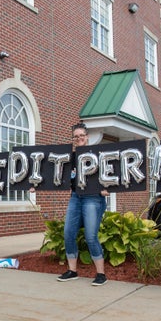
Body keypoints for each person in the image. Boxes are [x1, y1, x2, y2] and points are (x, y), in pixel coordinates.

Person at [56, 122, 109, 286]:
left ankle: (101, 274)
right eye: (76, 136)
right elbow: (56, 175)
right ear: (73, 139)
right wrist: (36, 185)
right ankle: (72, 271)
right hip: (76, 197)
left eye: (81, 135)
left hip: (93, 198)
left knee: (91, 237)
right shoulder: (70, 158)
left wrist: (106, 188)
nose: (79, 138)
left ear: (87, 137)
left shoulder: (98, 155)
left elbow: (111, 173)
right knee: (68, 234)